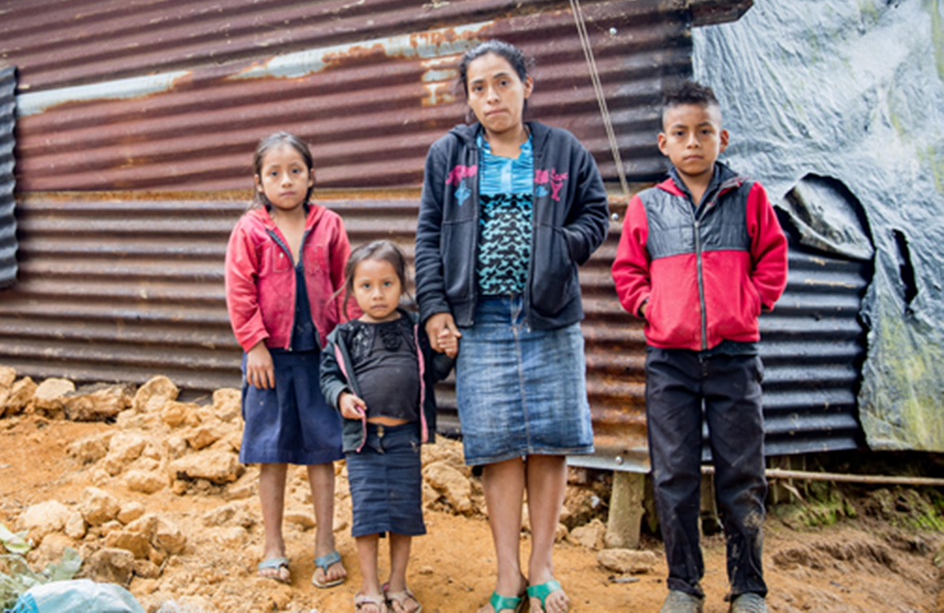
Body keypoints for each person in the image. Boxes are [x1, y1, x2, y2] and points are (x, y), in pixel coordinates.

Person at [414, 40, 609, 613]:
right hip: (480, 319)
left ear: (527, 85)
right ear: (468, 98)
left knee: (549, 441)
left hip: (549, 315)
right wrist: (435, 306)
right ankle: (507, 577)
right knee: (496, 446)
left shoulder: (562, 149)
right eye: (478, 87)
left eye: (502, 82)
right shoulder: (448, 155)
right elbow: (428, 235)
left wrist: (560, 246)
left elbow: (596, 213)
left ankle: (542, 567)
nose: (491, 96)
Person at [611, 81, 788, 613]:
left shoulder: (749, 198)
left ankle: (748, 588)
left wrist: (747, 304)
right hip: (670, 362)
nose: (693, 142)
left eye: (704, 132)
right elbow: (627, 273)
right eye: (681, 133)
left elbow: (773, 260)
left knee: (742, 474)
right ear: (663, 142)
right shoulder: (647, 206)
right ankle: (683, 586)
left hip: (735, 357)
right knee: (674, 475)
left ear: (722, 138)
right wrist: (652, 308)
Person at [224, 132, 351, 589]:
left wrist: (347, 344)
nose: (286, 181)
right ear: (259, 182)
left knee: (323, 450)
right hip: (269, 362)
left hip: (320, 357)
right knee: (270, 453)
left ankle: (324, 542)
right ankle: (273, 545)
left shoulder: (330, 225)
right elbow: (239, 290)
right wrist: (254, 345)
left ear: (311, 176)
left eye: (295, 171)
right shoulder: (250, 229)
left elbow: (345, 286)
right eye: (274, 173)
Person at [320, 241, 455, 613]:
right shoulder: (343, 336)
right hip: (364, 442)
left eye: (387, 284)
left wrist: (447, 354)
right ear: (352, 289)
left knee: (403, 514)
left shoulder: (414, 328)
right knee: (367, 516)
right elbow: (328, 377)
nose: (377, 294)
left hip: (404, 439)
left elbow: (432, 374)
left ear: (401, 285)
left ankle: (397, 584)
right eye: (366, 286)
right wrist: (341, 398)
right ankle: (369, 587)